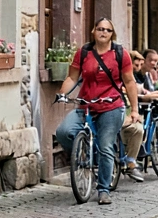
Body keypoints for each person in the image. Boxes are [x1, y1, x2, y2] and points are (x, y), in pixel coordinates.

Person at [55, 18, 143, 204]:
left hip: (111, 106)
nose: (103, 32)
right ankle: (83, 154)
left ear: (112, 33)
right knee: (63, 132)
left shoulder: (121, 54)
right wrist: (62, 93)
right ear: (93, 31)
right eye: (100, 29)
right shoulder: (84, 52)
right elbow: (72, 77)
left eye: (108, 30)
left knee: (105, 146)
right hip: (85, 104)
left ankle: (103, 189)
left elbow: (129, 82)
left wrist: (134, 109)